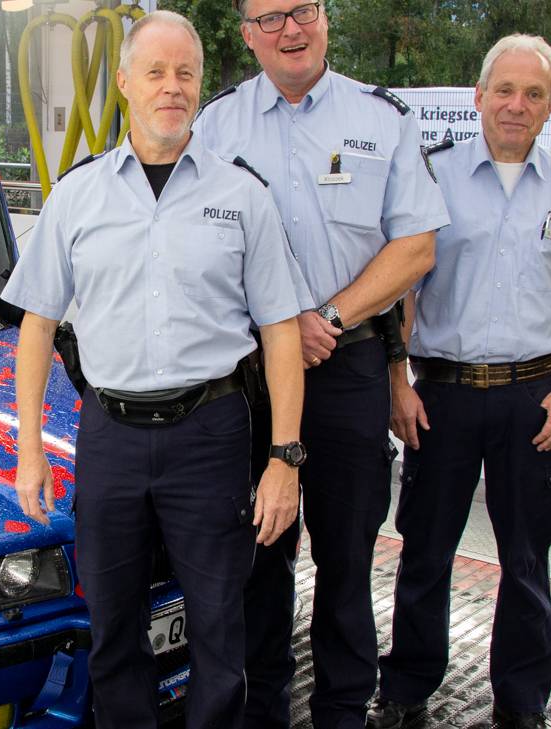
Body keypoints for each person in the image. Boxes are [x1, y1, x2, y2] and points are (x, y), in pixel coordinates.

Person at [3, 11, 310, 729]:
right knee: (113, 630)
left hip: (211, 433)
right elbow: (38, 326)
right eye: (156, 72)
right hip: (109, 435)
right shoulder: (78, 195)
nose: (172, 88)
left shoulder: (242, 195)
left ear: (200, 85)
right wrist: (28, 450)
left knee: (218, 629)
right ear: (123, 84)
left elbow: (282, 334)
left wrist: (284, 458)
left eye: (186, 74)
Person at [191, 0, 450, 725]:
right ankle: (261, 709)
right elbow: (191, 248)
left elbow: (416, 247)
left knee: (346, 559)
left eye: (302, 9)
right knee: (256, 560)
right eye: (270, 19)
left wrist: (325, 319)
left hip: (348, 369)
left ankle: (341, 709)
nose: (290, 30)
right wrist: (275, 327)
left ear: (326, 18)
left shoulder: (384, 119)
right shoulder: (215, 126)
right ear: (248, 37)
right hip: (247, 379)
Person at [371, 35, 551, 729]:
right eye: (503, 91)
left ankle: (522, 702)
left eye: (533, 94)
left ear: (550, 106)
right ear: (478, 97)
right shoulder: (433, 174)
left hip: (534, 396)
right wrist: (398, 378)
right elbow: (402, 283)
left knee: (527, 558)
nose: (516, 105)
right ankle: (408, 687)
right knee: (425, 550)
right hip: (441, 392)